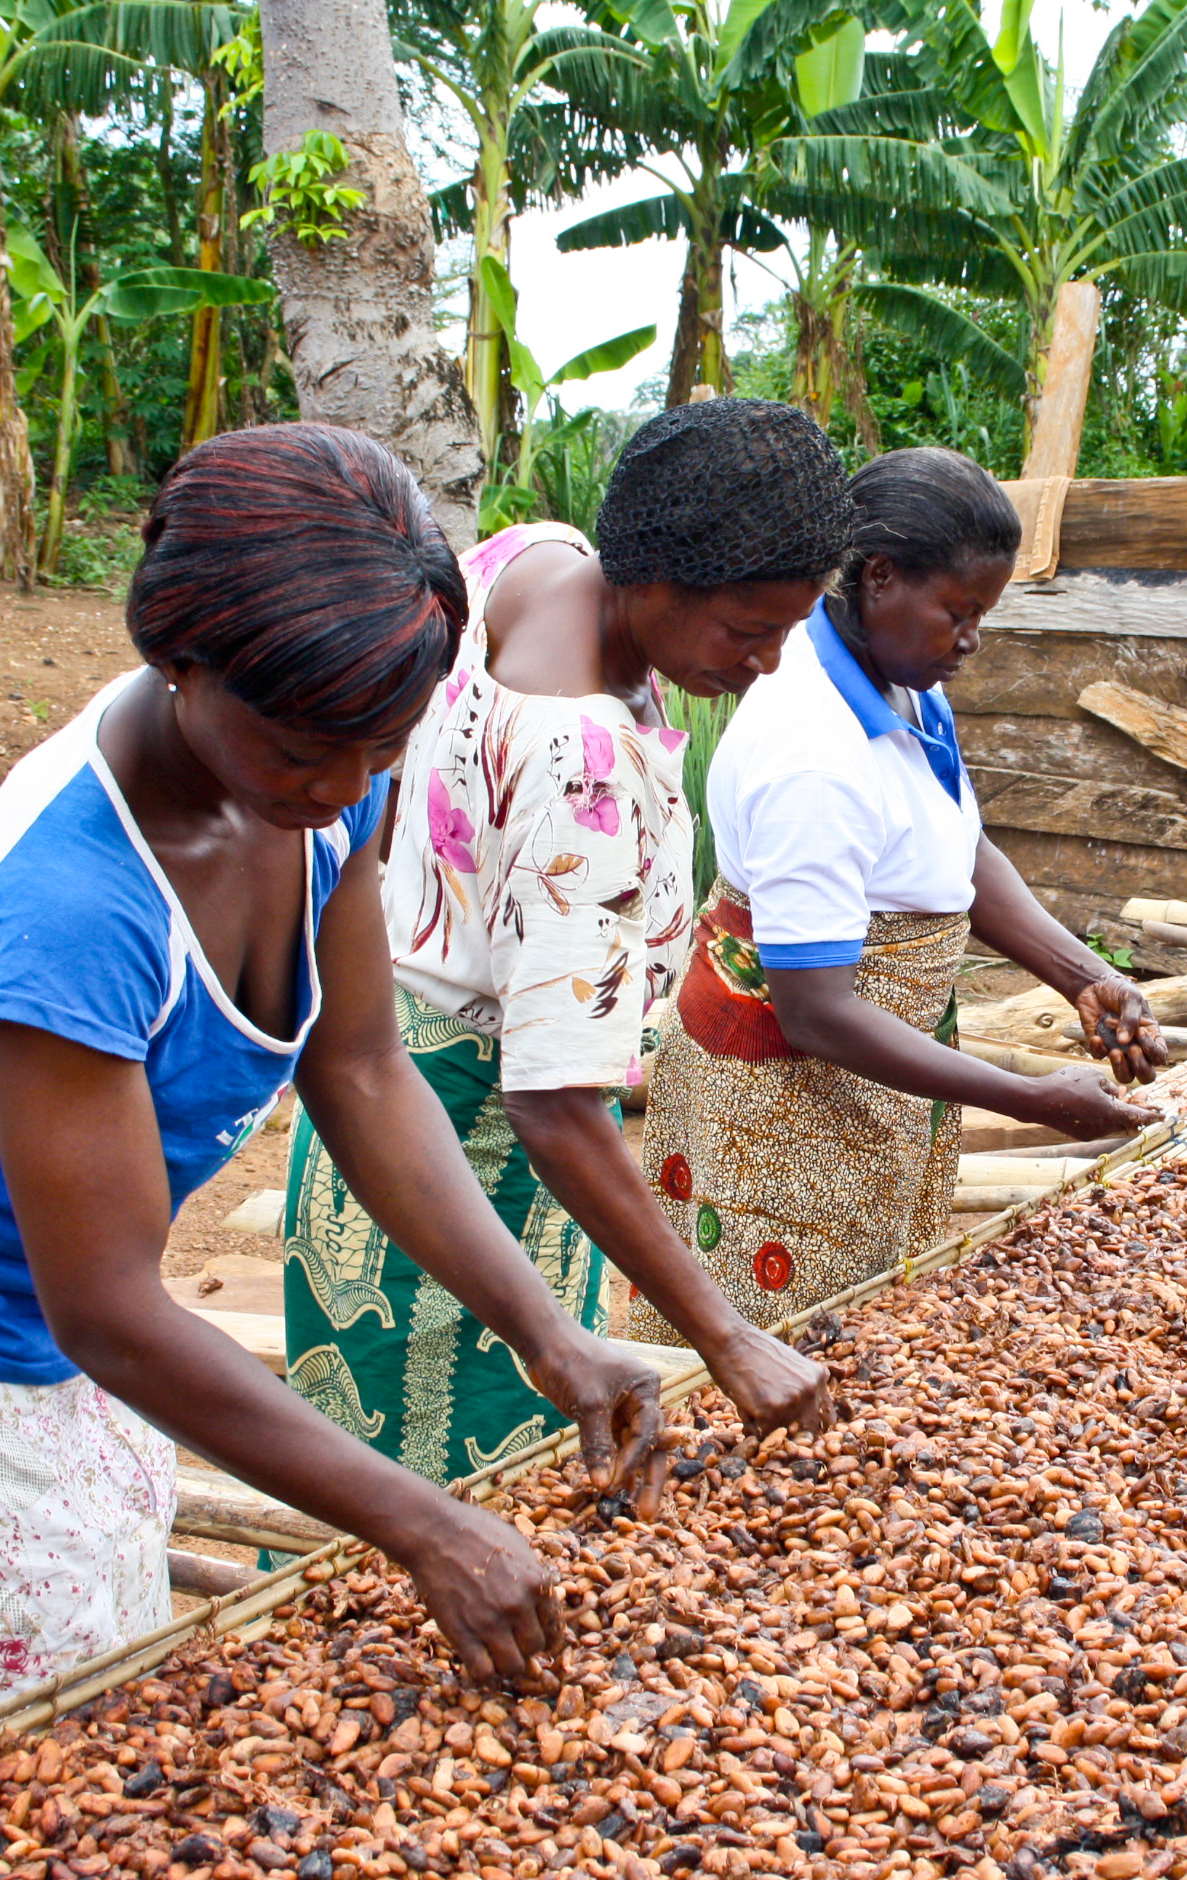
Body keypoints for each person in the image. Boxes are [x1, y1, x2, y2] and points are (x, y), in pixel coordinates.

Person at [0, 425, 671, 1809]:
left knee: (63, 1724)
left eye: (378, 752)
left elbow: (358, 1071)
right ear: (180, 656)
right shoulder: (71, 907)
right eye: (307, 753)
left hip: (58, 1354)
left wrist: (549, 1335)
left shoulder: (326, 770)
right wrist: (423, 1523)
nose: (344, 792)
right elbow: (107, 1306)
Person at [282, 398, 846, 1487]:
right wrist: (724, 1335)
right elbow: (550, 1105)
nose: (769, 663)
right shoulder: (581, 768)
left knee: (374, 1481)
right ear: (654, 579)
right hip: (468, 1152)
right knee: (457, 1497)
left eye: (787, 631)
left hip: (388, 1081)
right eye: (748, 629)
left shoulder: (534, 559)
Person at [638, 446, 1163, 1333]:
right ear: (878, 579)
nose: (973, 639)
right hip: (786, 1124)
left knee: (866, 1333)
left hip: (874, 1096)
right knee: (781, 1351)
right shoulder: (813, 750)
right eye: (959, 612)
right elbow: (818, 1013)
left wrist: (1082, 975)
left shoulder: (904, 680)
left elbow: (954, 848)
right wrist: (1034, 1101)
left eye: (983, 615)